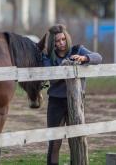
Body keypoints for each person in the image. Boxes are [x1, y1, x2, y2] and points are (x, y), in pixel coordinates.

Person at [41, 24, 102, 165]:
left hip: (76, 100)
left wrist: (84, 58)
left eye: (63, 39)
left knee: (76, 141)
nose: (61, 43)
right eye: (57, 41)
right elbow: (50, 75)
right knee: (55, 141)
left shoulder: (77, 49)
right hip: (56, 102)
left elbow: (98, 57)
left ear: (67, 38)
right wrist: (63, 68)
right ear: (53, 43)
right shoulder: (47, 56)